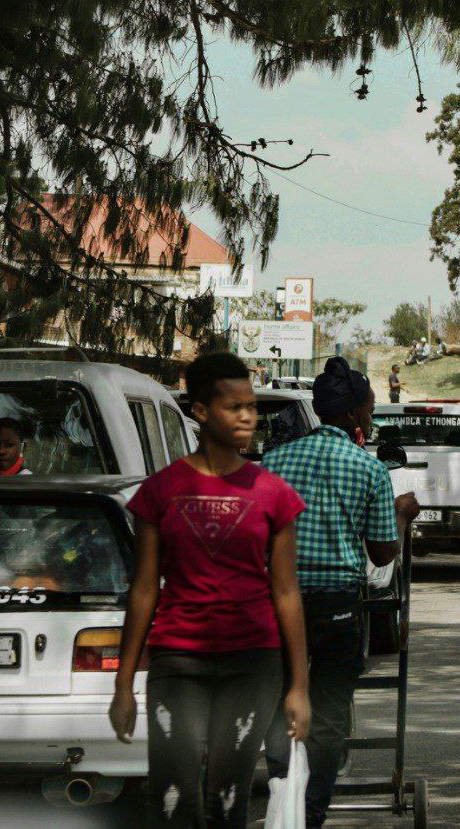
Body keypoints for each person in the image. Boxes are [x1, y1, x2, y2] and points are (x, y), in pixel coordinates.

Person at [110, 352, 311, 828]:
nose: (248, 417)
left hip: (252, 664)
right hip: (177, 663)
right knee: (172, 795)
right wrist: (122, 686)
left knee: (227, 797)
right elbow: (143, 590)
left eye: (252, 407)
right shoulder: (160, 492)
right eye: (234, 407)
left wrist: (298, 686)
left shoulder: (273, 493)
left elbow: (286, 593)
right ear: (200, 411)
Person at [262, 356, 420, 828]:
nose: (371, 419)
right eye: (370, 410)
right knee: (328, 713)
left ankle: (281, 800)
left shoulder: (272, 461)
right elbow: (381, 554)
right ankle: (309, 814)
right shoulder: (367, 469)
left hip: (275, 603)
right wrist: (401, 516)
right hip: (336, 607)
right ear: (353, 415)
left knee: (278, 705)